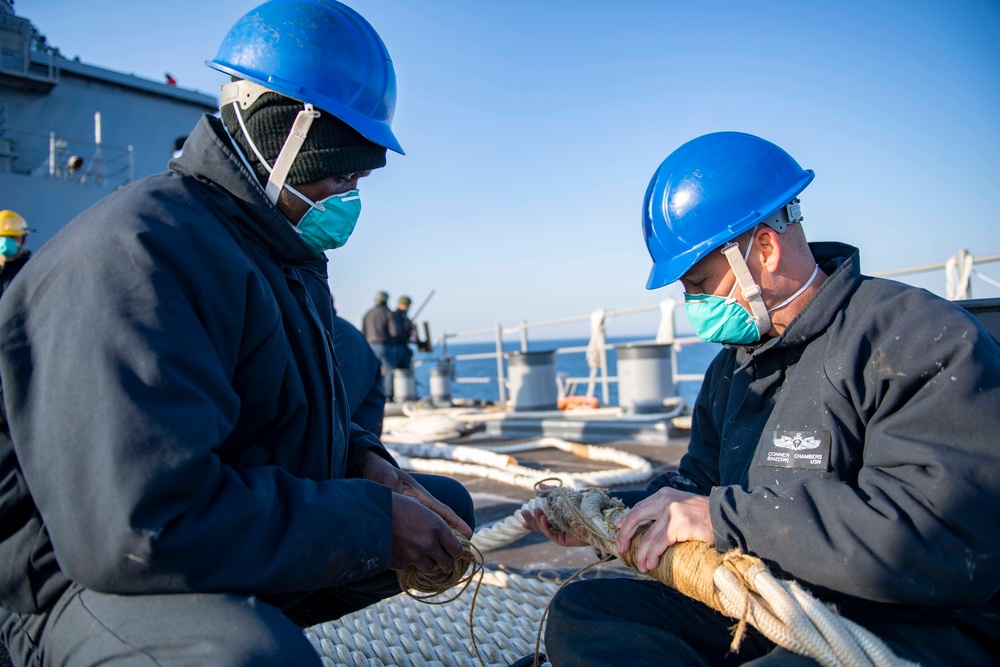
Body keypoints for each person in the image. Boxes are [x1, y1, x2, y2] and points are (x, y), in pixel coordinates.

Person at [0, 2, 474, 666]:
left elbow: (283, 415)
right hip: (73, 579)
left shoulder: (273, 252)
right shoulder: (138, 255)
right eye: (340, 174)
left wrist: (367, 466)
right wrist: (373, 524)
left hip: (177, 531)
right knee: (248, 655)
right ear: (282, 138)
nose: (349, 197)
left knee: (448, 510)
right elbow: (143, 522)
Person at [524, 132, 1000, 666]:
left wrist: (726, 519)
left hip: (904, 626)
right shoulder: (733, 369)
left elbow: (942, 541)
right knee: (585, 611)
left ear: (764, 250)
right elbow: (695, 490)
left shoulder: (917, 337)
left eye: (701, 284)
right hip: (768, 606)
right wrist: (610, 519)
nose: (695, 306)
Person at [332, 297, 386, 437]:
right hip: (383, 346)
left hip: (351, 443)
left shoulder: (342, 337)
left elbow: (343, 402)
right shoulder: (339, 333)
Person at [362, 290, 401, 400]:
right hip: (384, 346)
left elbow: (363, 331)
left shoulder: (368, 313)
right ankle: (387, 395)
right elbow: (395, 332)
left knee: (373, 370)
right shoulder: (388, 313)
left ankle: (372, 394)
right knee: (389, 369)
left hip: (370, 346)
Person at [0, 210, 32, 298]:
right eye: (1, 237)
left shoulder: (32, 270)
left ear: (23, 241)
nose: (5, 242)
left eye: (12, 237)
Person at [393, 294, 416, 370]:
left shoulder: (405, 317)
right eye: (406, 305)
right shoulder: (395, 316)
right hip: (397, 346)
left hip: (403, 346)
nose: (408, 307)